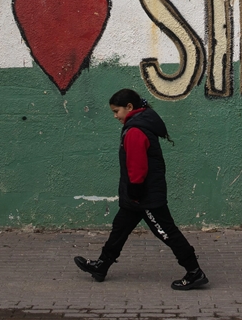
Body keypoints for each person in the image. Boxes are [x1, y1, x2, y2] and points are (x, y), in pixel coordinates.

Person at [74, 89, 208, 290]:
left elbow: (138, 166)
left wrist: (135, 191)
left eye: (116, 111)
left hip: (144, 197)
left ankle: (194, 272)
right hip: (137, 197)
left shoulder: (135, 130)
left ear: (129, 107)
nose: (115, 116)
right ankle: (101, 266)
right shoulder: (137, 125)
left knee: (167, 233)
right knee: (119, 229)